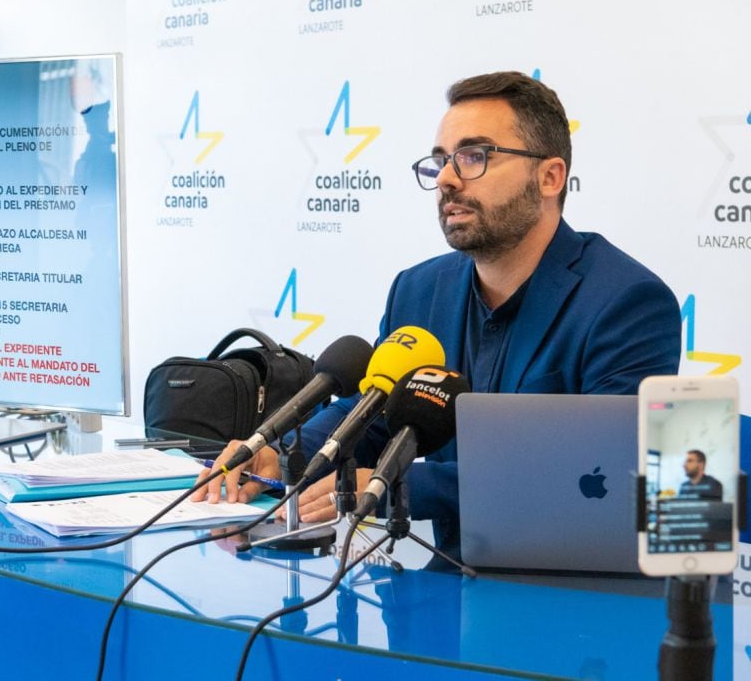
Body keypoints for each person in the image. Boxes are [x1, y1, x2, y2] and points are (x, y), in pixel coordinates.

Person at [193, 71, 682, 567]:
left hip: (572, 593)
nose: (447, 178)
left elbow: (599, 472)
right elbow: (375, 412)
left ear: (550, 176)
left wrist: (396, 484)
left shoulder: (626, 302)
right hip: (448, 578)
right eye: (442, 160)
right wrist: (285, 455)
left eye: (475, 156)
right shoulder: (420, 290)